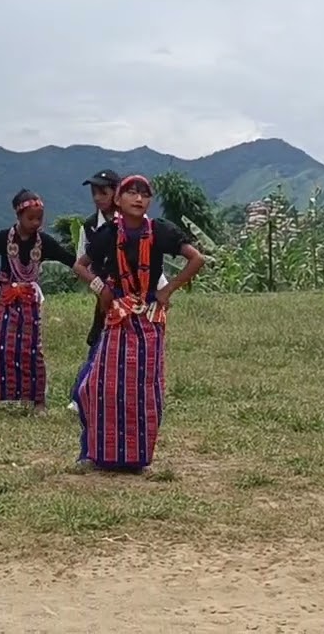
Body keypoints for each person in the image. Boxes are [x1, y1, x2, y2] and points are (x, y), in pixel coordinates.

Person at [71, 174, 206, 472]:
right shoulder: (107, 233)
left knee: (144, 389)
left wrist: (168, 289)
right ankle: (101, 453)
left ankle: (137, 457)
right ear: (118, 200)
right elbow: (80, 266)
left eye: (144, 194)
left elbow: (196, 258)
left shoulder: (160, 231)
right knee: (96, 386)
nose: (138, 198)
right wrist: (101, 288)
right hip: (118, 317)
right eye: (131, 192)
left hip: (148, 317)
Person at [68, 169, 169, 413]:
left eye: (103, 191)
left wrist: (163, 290)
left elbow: (152, 261)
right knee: (102, 341)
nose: (97, 197)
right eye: (94, 192)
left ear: (117, 194)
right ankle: (88, 395)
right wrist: (100, 289)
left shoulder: (139, 222)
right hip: (109, 295)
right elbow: (82, 264)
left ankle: (133, 396)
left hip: (141, 296)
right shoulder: (91, 228)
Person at [0, 189, 76, 413]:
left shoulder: (44, 242)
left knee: (32, 350)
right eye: (31, 218)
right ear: (18, 216)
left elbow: (70, 260)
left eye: (39, 218)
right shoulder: (3, 238)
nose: (36, 223)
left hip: (30, 303)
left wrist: (94, 275)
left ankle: (38, 401)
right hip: (5, 300)